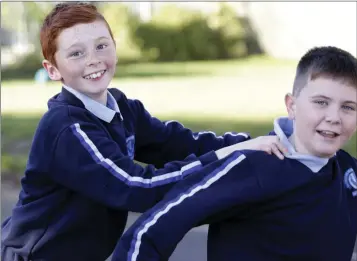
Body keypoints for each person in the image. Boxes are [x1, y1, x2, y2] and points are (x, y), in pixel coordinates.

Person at [1, 3, 287, 261]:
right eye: (76, 53)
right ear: (53, 70)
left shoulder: (121, 107)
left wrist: (251, 144)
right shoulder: (67, 128)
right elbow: (136, 186)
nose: (93, 59)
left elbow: (178, 144)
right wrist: (228, 154)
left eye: (101, 45)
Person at [112, 46, 357, 261]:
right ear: (292, 106)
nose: (334, 117)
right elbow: (152, 230)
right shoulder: (254, 168)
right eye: (321, 102)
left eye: (348, 107)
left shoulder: (349, 173)